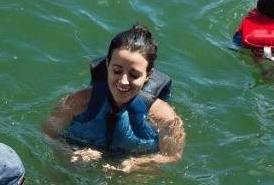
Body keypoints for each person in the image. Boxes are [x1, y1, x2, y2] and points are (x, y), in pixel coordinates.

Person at [42, 24, 185, 173]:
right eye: (117, 71)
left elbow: (172, 157)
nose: (123, 81)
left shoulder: (164, 117)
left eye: (134, 75)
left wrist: (137, 165)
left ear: (148, 75)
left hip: (132, 167)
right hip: (83, 160)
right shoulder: (79, 102)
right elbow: (47, 134)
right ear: (107, 64)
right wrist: (70, 154)